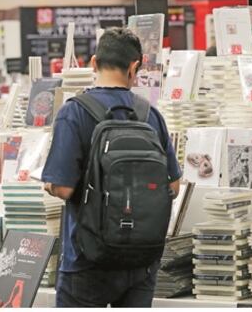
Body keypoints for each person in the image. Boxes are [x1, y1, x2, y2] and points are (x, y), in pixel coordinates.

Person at [41, 28, 182, 307]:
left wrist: (50, 184)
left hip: (87, 260)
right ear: (135, 67)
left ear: (94, 63)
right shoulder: (150, 115)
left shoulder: (74, 112)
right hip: (141, 261)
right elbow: (173, 186)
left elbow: (64, 188)